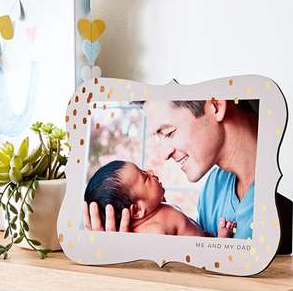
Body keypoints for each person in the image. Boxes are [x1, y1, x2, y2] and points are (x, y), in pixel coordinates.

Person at [83, 98, 257, 238]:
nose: (164, 155)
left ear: (216, 105)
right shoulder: (213, 190)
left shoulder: (273, 194)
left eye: (168, 133)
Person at [84, 160, 236, 237]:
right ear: (137, 209)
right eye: (145, 176)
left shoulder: (156, 211)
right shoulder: (153, 232)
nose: (151, 171)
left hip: (205, 239)